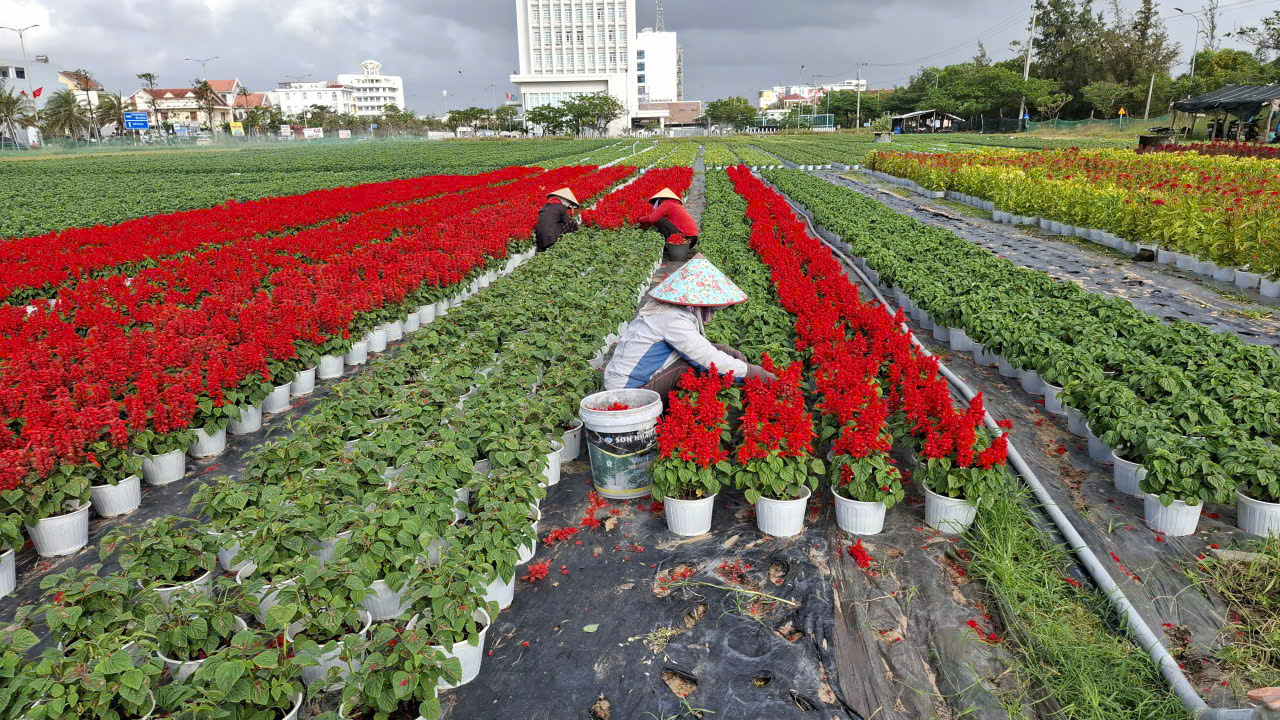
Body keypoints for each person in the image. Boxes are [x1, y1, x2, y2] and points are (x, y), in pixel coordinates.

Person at [604, 256, 776, 400]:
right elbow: (708, 360)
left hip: (627, 381)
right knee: (690, 369)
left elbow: (698, 347)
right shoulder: (672, 319)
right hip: (628, 392)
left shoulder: (669, 310)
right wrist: (756, 374)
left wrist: (726, 351)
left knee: (712, 354)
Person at [638, 188, 699, 254]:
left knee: (661, 220)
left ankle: (669, 247)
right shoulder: (674, 204)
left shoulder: (667, 204)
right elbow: (652, 221)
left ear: (660, 200)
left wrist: (639, 220)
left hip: (686, 239)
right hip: (692, 240)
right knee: (660, 221)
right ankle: (670, 246)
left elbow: (652, 219)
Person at [535, 188, 580, 252]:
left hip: (540, 241)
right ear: (565, 200)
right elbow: (568, 222)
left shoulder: (543, 207)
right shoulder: (561, 207)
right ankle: (567, 241)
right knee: (572, 223)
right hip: (552, 239)